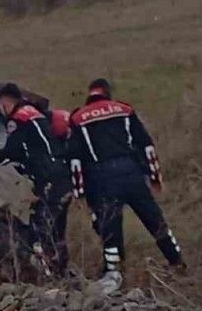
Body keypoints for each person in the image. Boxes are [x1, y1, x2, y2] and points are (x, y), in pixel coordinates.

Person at [69, 78, 184, 292]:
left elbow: (75, 161)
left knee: (110, 228)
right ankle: (177, 261)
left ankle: (114, 272)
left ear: (89, 94)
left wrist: (80, 193)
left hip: (102, 178)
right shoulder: (124, 110)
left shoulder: (78, 118)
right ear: (107, 93)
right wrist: (155, 177)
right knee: (154, 220)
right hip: (131, 173)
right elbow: (147, 146)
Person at [0, 83, 72, 276]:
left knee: (39, 226)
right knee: (57, 229)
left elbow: (12, 150)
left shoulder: (17, 119)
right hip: (63, 175)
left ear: (5, 102)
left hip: (48, 177)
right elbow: (30, 148)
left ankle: (48, 272)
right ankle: (61, 270)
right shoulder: (35, 114)